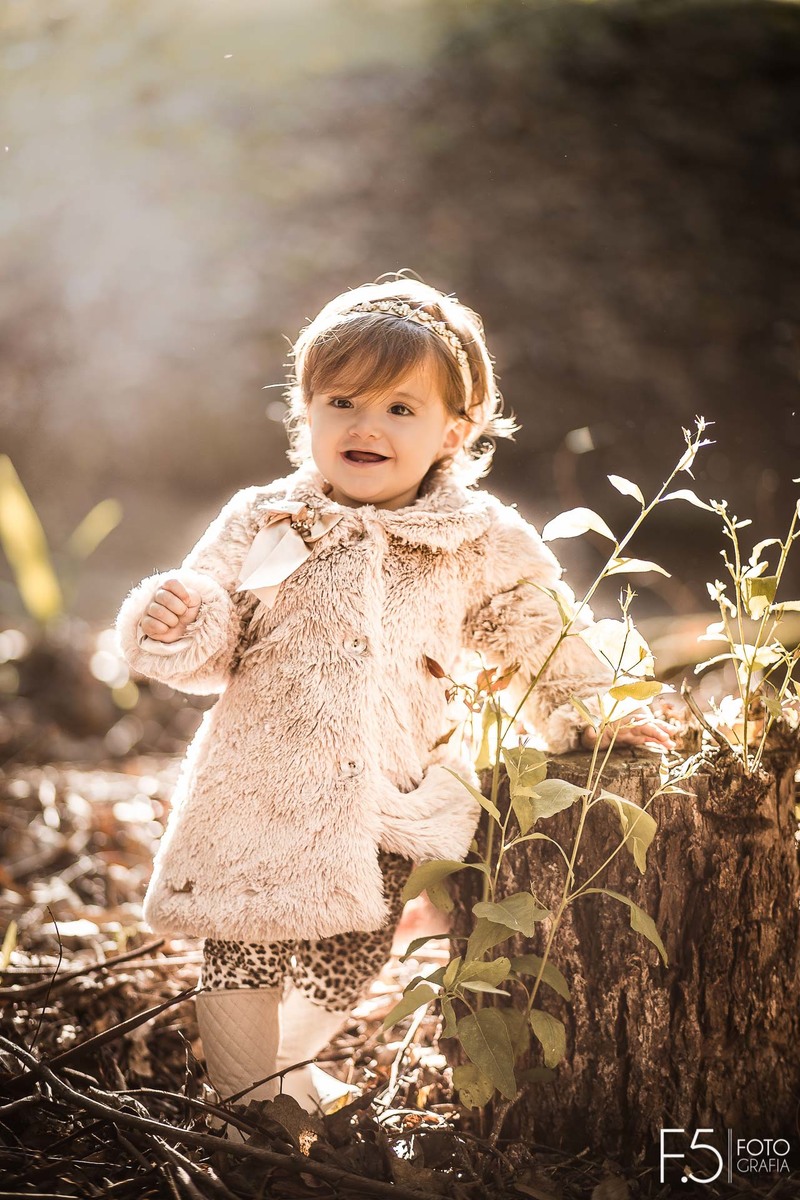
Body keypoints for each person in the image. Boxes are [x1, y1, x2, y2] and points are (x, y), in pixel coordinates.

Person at [114, 275, 672, 1128]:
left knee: (350, 951)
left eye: (401, 409)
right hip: (256, 784)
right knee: (243, 951)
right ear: (307, 414)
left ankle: (289, 1077)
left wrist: (585, 706)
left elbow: (537, 633)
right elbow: (209, 633)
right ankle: (240, 1116)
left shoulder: (473, 537)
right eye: (342, 401)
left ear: (456, 429)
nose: (366, 425)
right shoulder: (268, 517)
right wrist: (175, 615)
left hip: (383, 795)